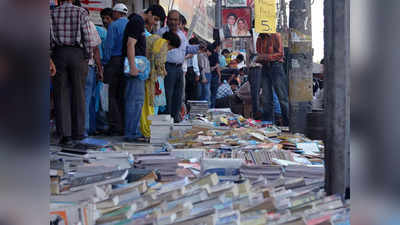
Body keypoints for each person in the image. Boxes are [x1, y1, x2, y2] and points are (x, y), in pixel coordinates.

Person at [50, 0, 94, 146]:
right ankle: (78, 132)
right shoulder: (80, 12)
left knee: (61, 94)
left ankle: (65, 134)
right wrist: (87, 55)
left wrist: (50, 56)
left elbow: (48, 37)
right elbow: (87, 36)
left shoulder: (52, 13)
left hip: (59, 53)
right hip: (77, 53)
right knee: (79, 93)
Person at [157, 10, 199, 123]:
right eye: (171, 19)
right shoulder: (161, 33)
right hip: (167, 67)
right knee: (167, 94)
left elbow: (187, 49)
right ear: (167, 20)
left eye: (175, 20)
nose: (173, 22)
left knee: (178, 94)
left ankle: (176, 117)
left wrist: (199, 48)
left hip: (179, 68)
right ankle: (166, 118)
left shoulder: (181, 34)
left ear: (179, 21)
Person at [139, 31, 181, 138]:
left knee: (144, 104)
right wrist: (163, 71)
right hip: (151, 77)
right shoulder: (163, 43)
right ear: (170, 43)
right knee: (149, 105)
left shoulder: (154, 38)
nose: (170, 50)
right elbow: (159, 62)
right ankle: (148, 130)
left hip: (144, 73)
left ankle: (144, 129)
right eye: (171, 48)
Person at [103, 3, 129, 136]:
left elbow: (109, 46)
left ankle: (115, 126)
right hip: (127, 62)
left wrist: (105, 63)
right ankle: (125, 125)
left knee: (111, 95)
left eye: (113, 13)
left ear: (117, 13)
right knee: (123, 94)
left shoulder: (114, 25)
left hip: (114, 61)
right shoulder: (130, 24)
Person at [123, 5, 147, 142]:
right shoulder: (137, 21)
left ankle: (133, 131)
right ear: (149, 13)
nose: (154, 23)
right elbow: (130, 44)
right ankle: (131, 132)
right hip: (135, 67)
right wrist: (132, 66)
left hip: (137, 66)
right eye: (154, 19)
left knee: (136, 100)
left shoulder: (138, 22)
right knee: (134, 100)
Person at [256, 33, 289, 126]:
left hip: (276, 66)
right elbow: (258, 53)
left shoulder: (276, 36)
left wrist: (265, 57)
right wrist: (261, 57)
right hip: (265, 66)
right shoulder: (259, 38)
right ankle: (268, 124)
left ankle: (287, 123)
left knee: (282, 96)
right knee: (266, 97)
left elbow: (280, 54)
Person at [84, 9, 103, 137]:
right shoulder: (90, 25)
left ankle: (70, 130)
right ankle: (86, 129)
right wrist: (100, 69)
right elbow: (96, 49)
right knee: (88, 99)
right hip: (88, 66)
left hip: (67, 67)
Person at [208, 43, 221, 108]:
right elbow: (217, 66)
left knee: (208, 93)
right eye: (219, 47)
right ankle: (212, 108)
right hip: (214, 75)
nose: (219, 48)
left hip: (207, 74)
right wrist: (219, 76)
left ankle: (207, 107)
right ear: (216, 47)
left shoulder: (207, 55)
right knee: (213, 93)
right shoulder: (215, 54)